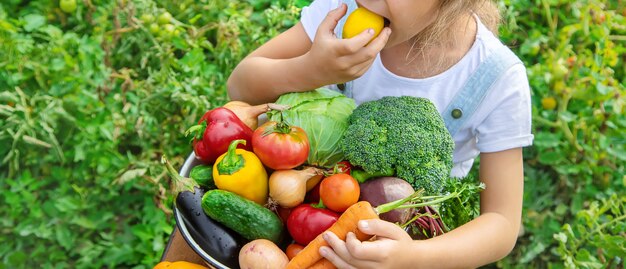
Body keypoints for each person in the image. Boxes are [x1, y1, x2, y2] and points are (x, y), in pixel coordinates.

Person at [227, 0, 534, 268]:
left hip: (408, 235)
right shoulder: (339, 13)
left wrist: (414, 257)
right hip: (298, 208)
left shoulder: (496, 78)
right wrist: (312, 69)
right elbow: (239, 87)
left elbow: (503, 224)